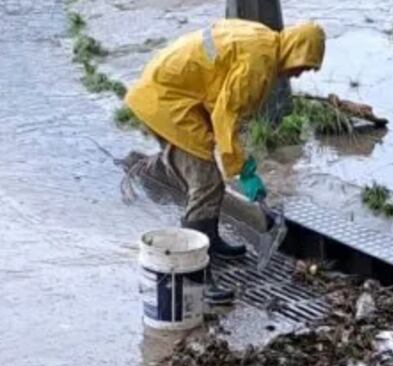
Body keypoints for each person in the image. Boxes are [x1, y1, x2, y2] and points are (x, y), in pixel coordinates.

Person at [125, 18, 326, 258]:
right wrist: (242, 169)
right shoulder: (258, 64)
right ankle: (194, 257)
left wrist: (240, 158)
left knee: (198, 168)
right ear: (297, 50)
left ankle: (149, 173)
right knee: (208, 183)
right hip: (166, 101)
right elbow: (225, 117)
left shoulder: (263, 39)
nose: (300, 73)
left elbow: (223, 101)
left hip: (164, 90)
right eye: (304, 65)